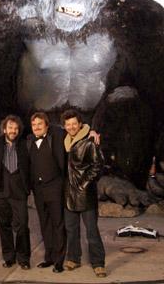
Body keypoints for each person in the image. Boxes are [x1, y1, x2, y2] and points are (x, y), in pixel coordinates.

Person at [61, 109, 106, 278]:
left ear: (80, 124)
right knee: (71, 230)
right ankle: (73, 258)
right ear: (65, 126)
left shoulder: (89, 141)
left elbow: (98, 166)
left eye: (74, 123)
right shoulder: (65, 142)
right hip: (69, 194)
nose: (71, 127)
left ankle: (98, 263)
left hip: (85, 193)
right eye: (68, 124)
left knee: (92, 231)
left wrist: (84, 185)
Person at [27, 112, 66, 273]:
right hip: (38, 189)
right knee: (45, 224)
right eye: (34, 125)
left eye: (40, 124)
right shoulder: (28, 141)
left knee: (58, 224)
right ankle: (49, 257)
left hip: (55, 186)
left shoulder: (55, 137)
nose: (36, 127)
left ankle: (59, 260)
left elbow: (74, 131)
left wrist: (91, 131)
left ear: (46, 126)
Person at [0, 115, 31, 270]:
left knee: (22, 225)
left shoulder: (25, 145)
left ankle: (23, 258)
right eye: (10, 128)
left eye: (15, 128)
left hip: (19, 191)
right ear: (4, 129)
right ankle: (8, 257)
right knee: (4, 226)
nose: (13, 131)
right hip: (0, 191)